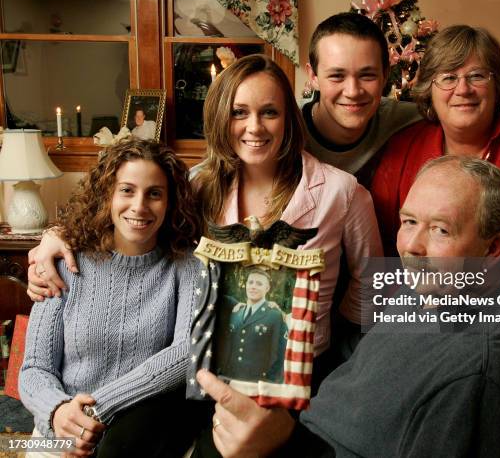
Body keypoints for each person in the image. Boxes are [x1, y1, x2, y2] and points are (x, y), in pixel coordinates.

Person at [26, 54, 382, 372]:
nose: (254, 127)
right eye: (239, 113)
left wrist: (325, 332)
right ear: (220, 117)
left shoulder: (343, 192)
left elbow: (373, 287)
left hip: (298, 371)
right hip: (209, 366)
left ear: (288, 117)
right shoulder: (196, 185)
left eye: (269, 112)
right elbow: (129, 223)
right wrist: (53, 238)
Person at [196, 156, 500, 458]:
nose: (411, 246)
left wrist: (280, 444)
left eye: (440, 230)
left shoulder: (479, 369)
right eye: (409, 222)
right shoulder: (429, 288)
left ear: (494, 248)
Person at [19, 139, 203, 457]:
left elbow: (185, 352)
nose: (140, 206)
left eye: (154, 193)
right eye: (127, 190)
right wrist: (59, 414)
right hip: (61, 426)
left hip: (139, 431)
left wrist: (97, 409)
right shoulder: (63, 262)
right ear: (108, 195)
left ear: (170, 202)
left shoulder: (187, 267)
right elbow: (35, 366)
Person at [370, 24, 500, 257]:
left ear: (497, 85)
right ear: (429, 89)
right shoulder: (403, 146)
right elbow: (381, 240)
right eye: (448, 77)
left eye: (477, 76)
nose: (463, 89)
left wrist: (473, 256)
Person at [302, 12, 500, 186]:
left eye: (367, 75)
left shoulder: (399, 117)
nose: (353, 91)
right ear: (312, 76)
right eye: (336, 76)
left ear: (386, 74)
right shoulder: (283, 124)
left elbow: (488, 110)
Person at [216, 268, 287, 383]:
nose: (253, 286)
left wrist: (270, 382)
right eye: (250, 282)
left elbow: (281, 355)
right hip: (229, 378)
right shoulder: (236, 313)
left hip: (258, 383)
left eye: (259, 284)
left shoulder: (275, 316)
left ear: (267, 288)